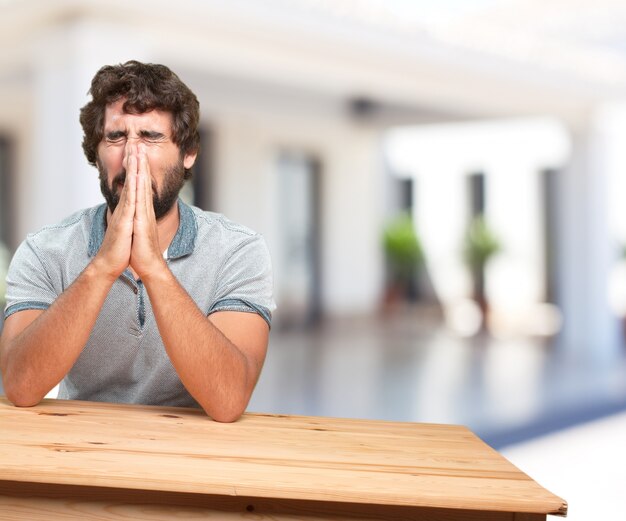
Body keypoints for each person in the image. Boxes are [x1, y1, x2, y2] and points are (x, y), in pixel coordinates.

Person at [0, 61, 275, 422]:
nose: (132, 157)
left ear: (188, 153)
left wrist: (153, 267)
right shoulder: (44, 249)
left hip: (194, 458)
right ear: (96, 155)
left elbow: (228, 400)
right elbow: (20, 386)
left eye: (151, 137)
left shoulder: (238, 251)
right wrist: (102, 267)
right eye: (116, 137)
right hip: (80, 452)